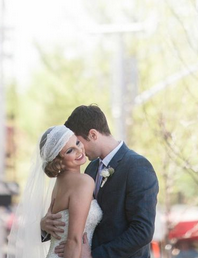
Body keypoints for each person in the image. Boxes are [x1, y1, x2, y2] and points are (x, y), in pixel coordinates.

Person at [41, 104, 159, 258]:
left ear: (93, 135)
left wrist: (94, 256)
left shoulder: (137, 167)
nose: (79, 149)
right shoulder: (90, 168)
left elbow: (142, 231)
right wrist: (45, 227)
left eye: (78, 142)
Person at [7, 124, 102, 258]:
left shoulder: (59, 183)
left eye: (77, 143)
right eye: (70, 151)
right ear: (59, 160)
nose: (79, 150)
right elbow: (73, 240)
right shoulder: (83, 182)